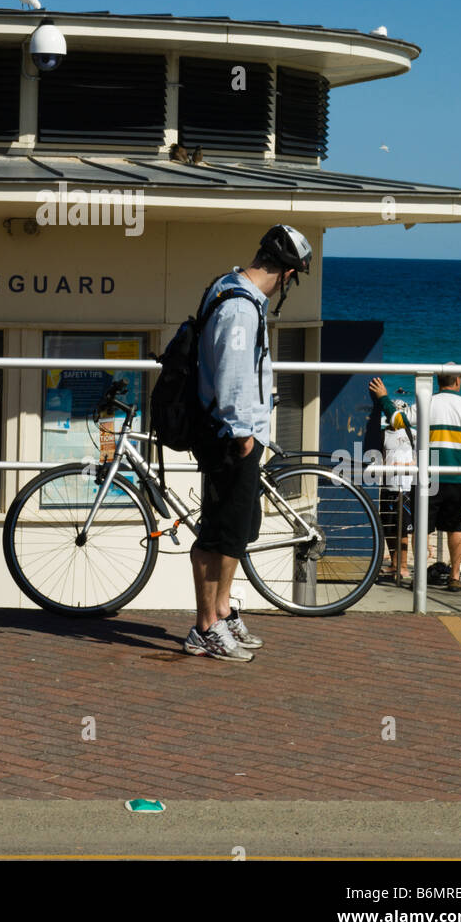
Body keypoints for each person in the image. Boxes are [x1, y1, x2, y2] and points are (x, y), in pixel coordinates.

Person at [183, 224, 312, 659]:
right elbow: (234, 375)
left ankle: (221, 611)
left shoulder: (230, 287)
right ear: (287, 274)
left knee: (237, 530)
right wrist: (242, 436)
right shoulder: (241, 308)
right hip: (229, 436)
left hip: (237, 434)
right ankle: (205, 627)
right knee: (217, 533)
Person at [369, 368, 461, 591]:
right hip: (458, 476)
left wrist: (384, 397)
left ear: (439, 380)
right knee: (455, 525)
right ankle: (455, 577)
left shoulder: (428, 403)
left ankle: (421, 577)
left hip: (428, 475)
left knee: (421, 528)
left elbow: (397, 421)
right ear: (458, 380)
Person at [367, 383, 415, 582]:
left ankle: (403, 566)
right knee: (388, 526)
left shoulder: (412, 433)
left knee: (402, 527)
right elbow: (379, 456)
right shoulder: (384, 434)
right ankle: (395, 564)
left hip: (405, 487)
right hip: (387, 486)